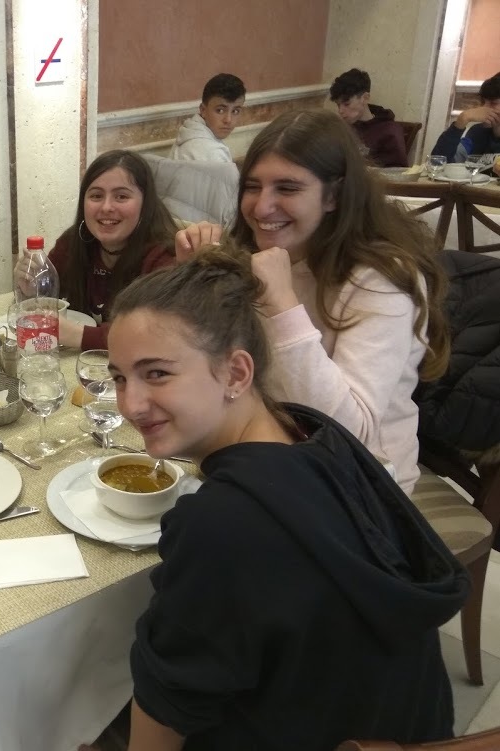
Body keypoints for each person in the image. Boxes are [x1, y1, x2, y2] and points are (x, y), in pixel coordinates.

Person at [94, 246, 468, 751]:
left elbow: (169, 700)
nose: (130, 404)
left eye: (156, 373)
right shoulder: (318, 434)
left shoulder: (220, 523)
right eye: (119, 377)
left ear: (236, 373)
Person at [174, 109, 449, 496]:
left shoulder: (382, 279)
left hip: (359, 488)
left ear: (333, 195)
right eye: (253, 186)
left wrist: (283, 305)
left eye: (287, 188)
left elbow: (348, 433)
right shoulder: (254, 255)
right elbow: (211, 366)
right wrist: (193, 280)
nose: (261, 207)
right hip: (264, 454)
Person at [15, 150, 179, 350]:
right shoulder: (72, 243)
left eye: (121, 196)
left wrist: (73, 334)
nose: (106, 207)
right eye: (96, 196)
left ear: (146, 204)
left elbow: (154, 334)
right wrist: (33, 290)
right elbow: (46, 305)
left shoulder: (165, 258)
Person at [329, 68, 409, 167]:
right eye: (338, 105)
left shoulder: (389, 132)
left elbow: (398, 172)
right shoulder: (343, 128)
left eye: (347, 104)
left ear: (365, 98)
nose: (340, 111)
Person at [170, 74, 246, 163]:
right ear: (203, 110)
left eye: (235, 111)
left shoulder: (189, 132)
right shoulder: (212, 152)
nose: (228, 120)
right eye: (220, 110)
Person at [431, 72, 500, 169]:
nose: (484, 108)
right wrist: (461, 121)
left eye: (493, 103)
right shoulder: (477, 132)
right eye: (483, 102)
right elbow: (437, 164)